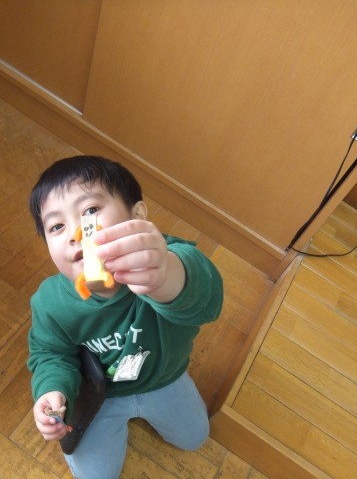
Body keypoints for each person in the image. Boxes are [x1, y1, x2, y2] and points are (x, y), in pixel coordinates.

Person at [27, 155, 224, 478]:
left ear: (138, 216)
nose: (76, 233)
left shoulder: (167, 260)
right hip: (102, 394)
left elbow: (208, 300)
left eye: (90, 210)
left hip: (164, 378)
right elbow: (50, 353)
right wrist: (52, 388)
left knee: (195, 438)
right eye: (56, 226)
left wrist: (166, 277)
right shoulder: (51, 302)